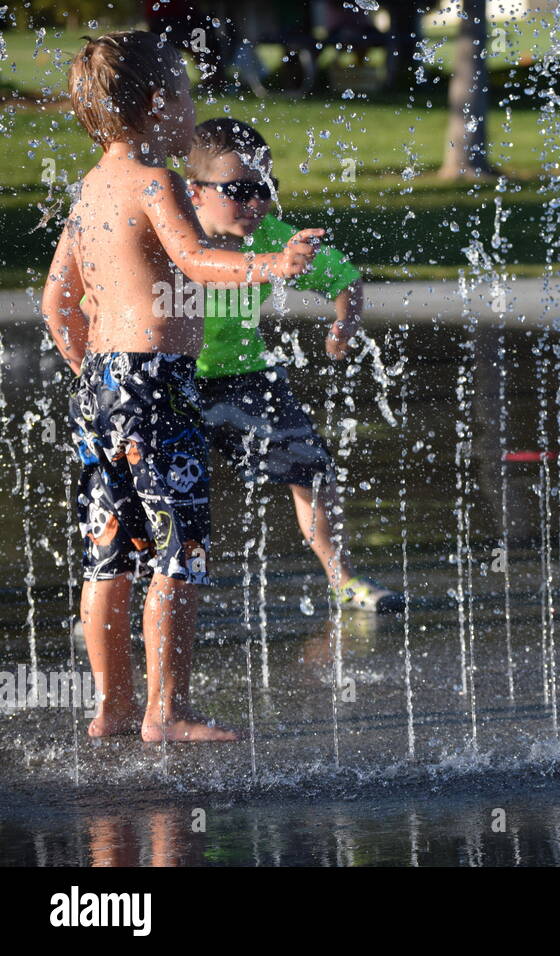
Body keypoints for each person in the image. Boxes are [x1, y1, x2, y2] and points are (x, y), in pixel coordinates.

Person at [39, 31, 322, 741]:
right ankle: (167, 709)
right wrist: (271, 267)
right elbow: (195, 261)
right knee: (179, 546)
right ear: (159, 103)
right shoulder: (156, 182)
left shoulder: (92, 188)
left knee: (108, 548)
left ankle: (112, 707)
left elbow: (57, 303)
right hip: (157, 386)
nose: (192, 114)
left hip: (103, 385)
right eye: (188, 95)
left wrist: (95, 379)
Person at [183, 118, 402, 613]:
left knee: (312, 469)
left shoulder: (277, 237)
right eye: (240, 190)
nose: (257, 203)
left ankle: (342, 578)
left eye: (265, 188)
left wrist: (344, 323)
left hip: (245, 375)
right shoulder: (171, 237)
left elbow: (345, 278)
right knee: (149, 490)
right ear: (195, 192)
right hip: (173, 377)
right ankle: (111, 600)